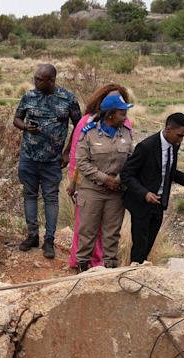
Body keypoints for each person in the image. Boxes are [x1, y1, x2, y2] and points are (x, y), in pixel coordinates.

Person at [14, 64, 82, 258]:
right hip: (28, 156)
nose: (35, 82)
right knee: (29, 195)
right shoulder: (29, 96)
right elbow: (16, 119)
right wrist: (26, 127)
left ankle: (49, 240)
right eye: (35, 78)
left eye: (39, 79)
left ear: (51, 80)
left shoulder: (68, 99)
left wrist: (68, 152)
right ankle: (32, 235)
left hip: (53, 159)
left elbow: (79, 127)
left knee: (51, 198)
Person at [66, 84, 132, 268]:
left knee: (112, 232)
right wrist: (105, 179)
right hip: (92, 190)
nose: (125, 116)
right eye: (122, 112)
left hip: (116, 192)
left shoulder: (126, 133)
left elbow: (131, 159)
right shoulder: (89, 132)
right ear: (110, 114)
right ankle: (82, 266)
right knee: (87, 231)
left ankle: (110, 266)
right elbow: (82, 162)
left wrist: (119, 180)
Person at [121, 112, 184, 265]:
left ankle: (141, 271)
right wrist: (144, 193)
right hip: (141, 204)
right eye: (179, 135)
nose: (181, 140)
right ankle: (133, 275)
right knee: (139, 247)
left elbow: (168, 170)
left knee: (148, 244)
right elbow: (127, 174)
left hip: (159, 203)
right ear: (168, 129)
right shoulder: (146, 146)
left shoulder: (174, 145)